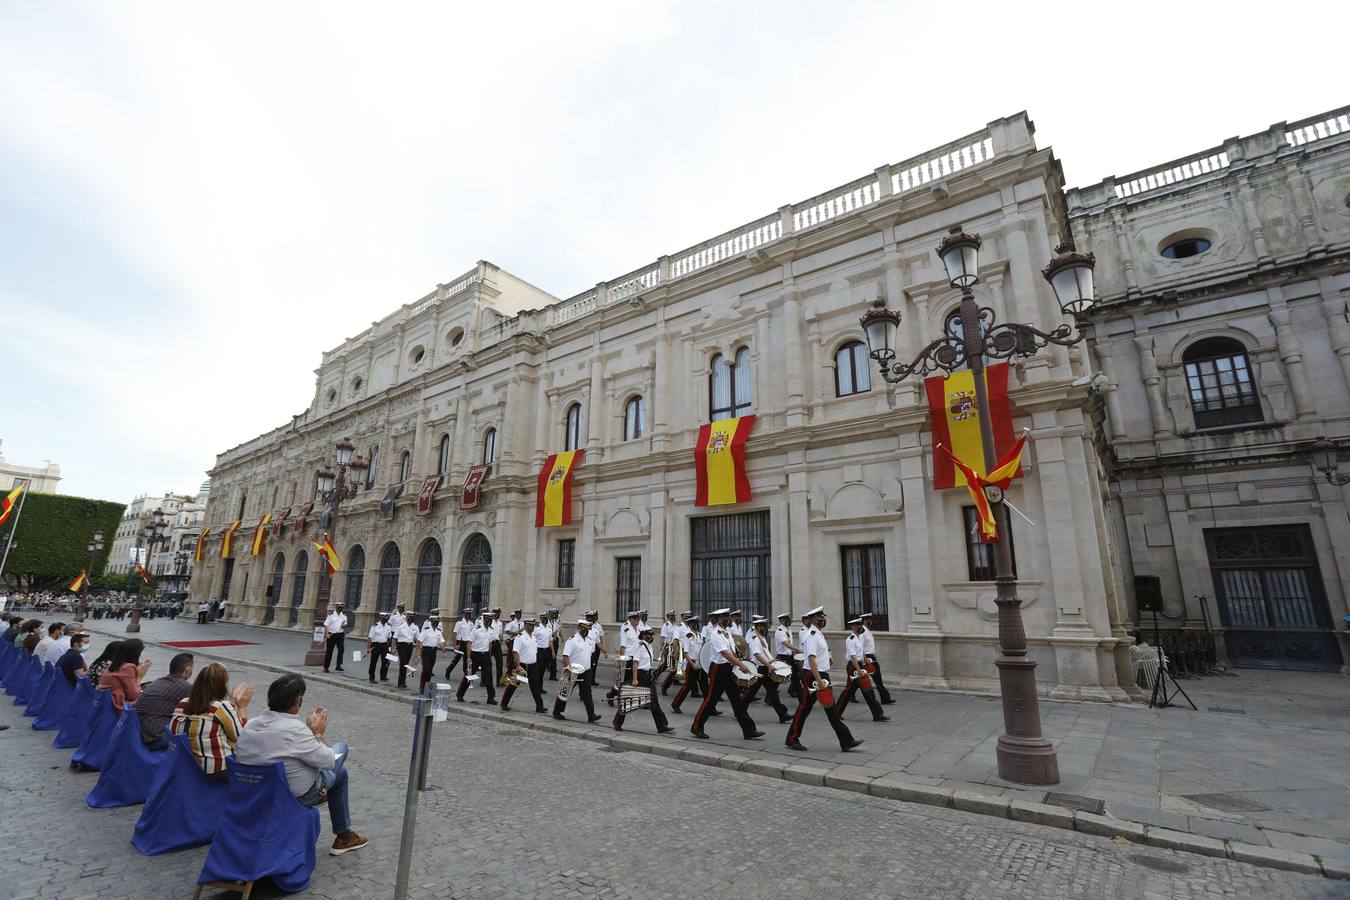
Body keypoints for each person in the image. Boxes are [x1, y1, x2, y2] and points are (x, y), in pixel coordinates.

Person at [233, 674, 368, 856]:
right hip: (294, 797)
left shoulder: (250, 725)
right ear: (298, 702)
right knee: (340, 750)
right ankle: (343, 836)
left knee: (340, 773)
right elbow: (328, 762)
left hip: (254, 792)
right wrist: (317, 734)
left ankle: (344, 836)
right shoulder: (295, 730)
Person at [785, 607, 862, 753]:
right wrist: (819, 681)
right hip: (814, 676)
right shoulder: (812, 635)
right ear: (812, 619)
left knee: (831, 709)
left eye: (823, 617)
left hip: (821, 675)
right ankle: (792, 738)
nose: (822, 620)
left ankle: (846, 741)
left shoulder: (818, 633)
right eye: (819, 617)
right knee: (804, 708)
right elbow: (812, 659)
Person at [689, 609, 763, 741]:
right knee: (711, 700)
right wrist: (741, 665)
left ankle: (749, 730)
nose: (727, 619)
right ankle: (696, 727)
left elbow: (733, 652)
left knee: (737, 701)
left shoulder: (727, 633)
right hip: (718, 669)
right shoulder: (715, 634)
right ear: (718, 619)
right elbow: (724, 653)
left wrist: (740, 662)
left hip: (729, 668)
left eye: (727, 617)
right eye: (724, 617)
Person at [171, 663, 252, 779]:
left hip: (186, 764)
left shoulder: (182, 703)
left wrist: (232, 703)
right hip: (215, 770)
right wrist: (242, 707)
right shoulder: (220, 708)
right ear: (221, 686)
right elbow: (242, 738)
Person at [613, 624, 674, 734]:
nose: (651, 637)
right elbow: (635, 664)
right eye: (649, 635)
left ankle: (662, 726)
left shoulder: (649, 646)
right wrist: (635, 679)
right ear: (644, 636)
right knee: (629, 700)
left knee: (654, 702)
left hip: (647, 676)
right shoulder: (640, 646)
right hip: (640, 676)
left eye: (652, 635)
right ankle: (617, 722)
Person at [834, 617, 889, 723]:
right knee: (849, 691)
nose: (859, 627)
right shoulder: (851, 640)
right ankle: (836, 713)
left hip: (860, 666)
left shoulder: (859, 638)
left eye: (860, 625)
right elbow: (853, 657)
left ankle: (877, 714)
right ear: (852, 627)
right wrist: (859, 670)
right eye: (857, 625)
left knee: (866, 690)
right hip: (854, 667)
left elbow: (861, 652)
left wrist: (866, 662)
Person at [138, 652, 195, 748]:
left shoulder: (158, 681)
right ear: (187, 670)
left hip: (138, 732)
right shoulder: (185, 687)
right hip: (154, 738)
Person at [740, 615, 791, 723]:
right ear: (758, 626)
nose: (765, 628)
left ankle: (782, 715)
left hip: (764, 669)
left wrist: (771, 661)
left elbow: (765, 653)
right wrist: (769, 665)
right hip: (758, 669)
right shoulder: (755, 639)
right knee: (750, 693)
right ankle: (740, 711)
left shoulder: (762, 637)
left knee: (772, 692)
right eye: (763, 626)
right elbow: (757, 655)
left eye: (765, 625)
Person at [552, 618, 600, 723]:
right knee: (565, 691)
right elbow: (565, 656)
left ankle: (591, 715)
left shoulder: (589, 641)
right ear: (579, 628)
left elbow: (589, 654)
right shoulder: (572, 640)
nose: (586, 631)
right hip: (573, 671)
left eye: (587, 629)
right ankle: (557, 711)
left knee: (587, 693)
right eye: (584, 629)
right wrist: (567, 670)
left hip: (586, 671)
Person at [499, 615, 544, 713]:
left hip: (533, 666)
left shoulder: (533, 637)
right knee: (514, 684)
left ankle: (539, 706)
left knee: (535, 686)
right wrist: (518, 666)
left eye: (533, 625)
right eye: (530, 625)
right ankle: (504, 703)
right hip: (523, 666)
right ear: (525, 625)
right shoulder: (520, 637)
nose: (532, 627)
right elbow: (515, 652)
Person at [98, 638, 152, 713]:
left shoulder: (114, 664)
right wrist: (139, 676)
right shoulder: (128, 667)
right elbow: (133, 695)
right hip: (115, 706)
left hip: (103, 702)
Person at [456, 610, 496, 704]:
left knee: (489, 676)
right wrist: (469, 657)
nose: (489, 621)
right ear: (484, 619)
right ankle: (460, 694)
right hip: (475, 654)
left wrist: (489, 656)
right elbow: (469, 642)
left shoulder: (491, 631)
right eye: (487, 620)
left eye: (490, 620)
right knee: (469, 675)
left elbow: (490, 643)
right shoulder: (477, 629)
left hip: (485, 655)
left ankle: (491, 698)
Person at [606, 610, 642, 705]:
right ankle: (613, 695)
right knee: (624, 680)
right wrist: (622, 661)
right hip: (628, 657)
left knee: (631, 679)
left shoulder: (638, 629)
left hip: (636, 657)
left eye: (638, 619)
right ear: (630, 619)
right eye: (635, 619)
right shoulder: (626, 628)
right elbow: (623, 645)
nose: (637, 621)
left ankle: (621, 696)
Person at [860, 612, 895, 704]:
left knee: (873, 678)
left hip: (871, 656)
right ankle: (885, 698)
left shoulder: (867, 630)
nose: (870, 621)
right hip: (867, 657)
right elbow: (860, 647)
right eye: (868, 620)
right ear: (864, 621)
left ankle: (885, 697)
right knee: (877, 677)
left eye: (870, 619)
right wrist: (865, 658)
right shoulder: (862, 631)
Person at [669, 615, 702, 714]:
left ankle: (711, 708)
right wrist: (692, 664)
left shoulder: (700, 636)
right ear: (690, 625)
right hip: (692, 664)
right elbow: (686, 653)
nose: (696, 625)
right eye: (693, 623)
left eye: (696, 623)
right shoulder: (688, 636)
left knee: (705, 687)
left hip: (700, 663)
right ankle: (676, 703)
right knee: (687, 686)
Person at [416, 611, 445, 694]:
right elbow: (419, 641)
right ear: (431, 622)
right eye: (434, 622)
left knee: (430, 670)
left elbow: (441, 641)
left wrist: (443, 649)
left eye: (436, 622)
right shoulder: (426, 630)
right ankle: (422, 686)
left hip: (433, 651)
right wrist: (418, 651)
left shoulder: (438, 631)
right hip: (426, 651)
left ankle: (427, 686)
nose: (435, 623)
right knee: (426, 668)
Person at [775, 612, 803, 699]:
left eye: (787, 619)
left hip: (789, 656)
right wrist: (797, 649)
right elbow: (786, 644)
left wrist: (794, 652)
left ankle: (796, 694)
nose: (787, 621)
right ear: (781, 621)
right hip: (782, 657)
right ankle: (770, 696)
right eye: (785, 619)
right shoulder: (779, 631)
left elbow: (789, 644)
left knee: (796, 676)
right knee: (779, 678)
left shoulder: (788, 630)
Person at [366, 612, 393, 683]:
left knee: (385, 661)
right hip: (376, 645)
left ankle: (383, 676)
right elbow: (370, 638)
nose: (385, 619)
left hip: (384, 645)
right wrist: (369, 648)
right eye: (384, 618)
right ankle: (371, 677)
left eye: (386, 618)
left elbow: (389, 637)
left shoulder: (389, 626)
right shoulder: (375, 626)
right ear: (381, 618)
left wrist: (388, 646)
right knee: (373, 661)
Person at [393, 613, 418, 689]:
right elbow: (394, 637)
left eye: (411, 617)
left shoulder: (415, 627)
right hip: (401, 646)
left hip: (409, 646)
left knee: (406, 663)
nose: (410, 618)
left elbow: (418, 639)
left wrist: (419, 648)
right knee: (403, 662)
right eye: (409, 617)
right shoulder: (401, 626)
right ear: (406, 617)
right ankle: (400, 682)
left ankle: (403, 682)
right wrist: (393, 648)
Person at [447, 608, 474, 677]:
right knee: (456, 659)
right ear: (464, 614)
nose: (468, 615)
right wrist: (455, 645)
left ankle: (466, 674)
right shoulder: (460, 622)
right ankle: (448, 670)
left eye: (469, 614)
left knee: (467, 659)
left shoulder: (471, 623)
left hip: (467, 643)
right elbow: (455, 633)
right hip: (461, 643)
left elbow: (472, 635)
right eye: (467, 613)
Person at [322, 604, 348, 673]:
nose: (340, 609)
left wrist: (344, 626)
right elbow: (326, 625)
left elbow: (345, 625)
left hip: (340, 634)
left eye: (341, 608)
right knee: (329, 651)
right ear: (336, 608)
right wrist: (327, 634)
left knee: (341, 649)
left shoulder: (344, 616)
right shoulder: (331, 616)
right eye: (339, 607)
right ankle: (326, 667)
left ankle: (338, 666)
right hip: (331, 635)